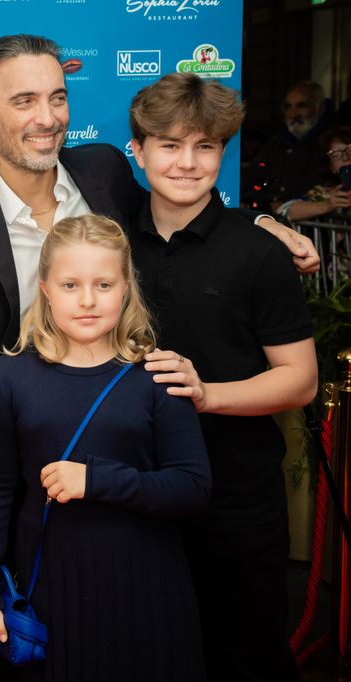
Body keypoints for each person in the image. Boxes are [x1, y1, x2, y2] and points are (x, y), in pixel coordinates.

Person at [0, 33, 318, 680]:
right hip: (28, 497)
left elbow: (183, 203)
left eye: (57, 97)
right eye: (24, 101)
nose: (48, 117)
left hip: (145, 479)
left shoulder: (101, 170)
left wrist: (266, 224)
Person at [128, 72, 318, 682]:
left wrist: (207, 395)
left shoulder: (259, 254)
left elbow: (300, 380)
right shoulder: (109, 239)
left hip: (233, 502)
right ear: (138, 150)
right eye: (169, 145)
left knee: (245, 660)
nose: (187, 163)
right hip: (132, 498)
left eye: (205, 146)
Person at [0, 214, 211, 682]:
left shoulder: (158, 374)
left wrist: (97, 480)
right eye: (70, 284)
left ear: (126, 288)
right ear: (45, 288)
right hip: (51, 589)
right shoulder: (11, 376)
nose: (87, 300)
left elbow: (193, 487)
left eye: (103, 284)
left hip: (148, 588)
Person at [242, 81, 333, 210]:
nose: (293, 114)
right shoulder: (277, 143)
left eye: (302, 106)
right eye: (287, 107)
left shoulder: (332, 143)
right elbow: (251, 177)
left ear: (321, 108)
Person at [278, 125, 351, 222]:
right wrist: (327, 205)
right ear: (331, 167)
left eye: (350, 150)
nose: (346, 158)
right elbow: (283, 211)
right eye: (335, 154)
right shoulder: (329, 193)